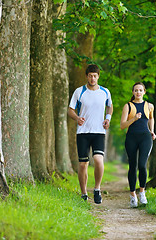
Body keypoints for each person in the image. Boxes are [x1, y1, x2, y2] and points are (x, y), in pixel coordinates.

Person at [68, 64, 113, 204]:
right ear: (86, 76)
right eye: (90, 76)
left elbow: (110, 106)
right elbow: (70, 110)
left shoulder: (105, 92)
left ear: (98, 76)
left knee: (99, 160)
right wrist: (77, 118)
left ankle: (97, 189)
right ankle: (83, 193)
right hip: (83, 132)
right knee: (83, 164)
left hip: (99, 132)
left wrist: (107, 119)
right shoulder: (79, 92)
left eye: (95, 76)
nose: (92, 78)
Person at [120, 82, 156, 208]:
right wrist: (134, 119)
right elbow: (122, 125)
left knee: (142, 164)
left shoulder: (149, 106)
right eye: (136, 90)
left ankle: (142, 192)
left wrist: (152, 130)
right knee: (133, 166)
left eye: (140, 90)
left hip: (145, 137)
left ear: (144, 92)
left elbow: (151, 118)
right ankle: (132, 195)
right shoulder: (128, 106)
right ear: (133, 92)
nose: (138, 92)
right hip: (131, 138)